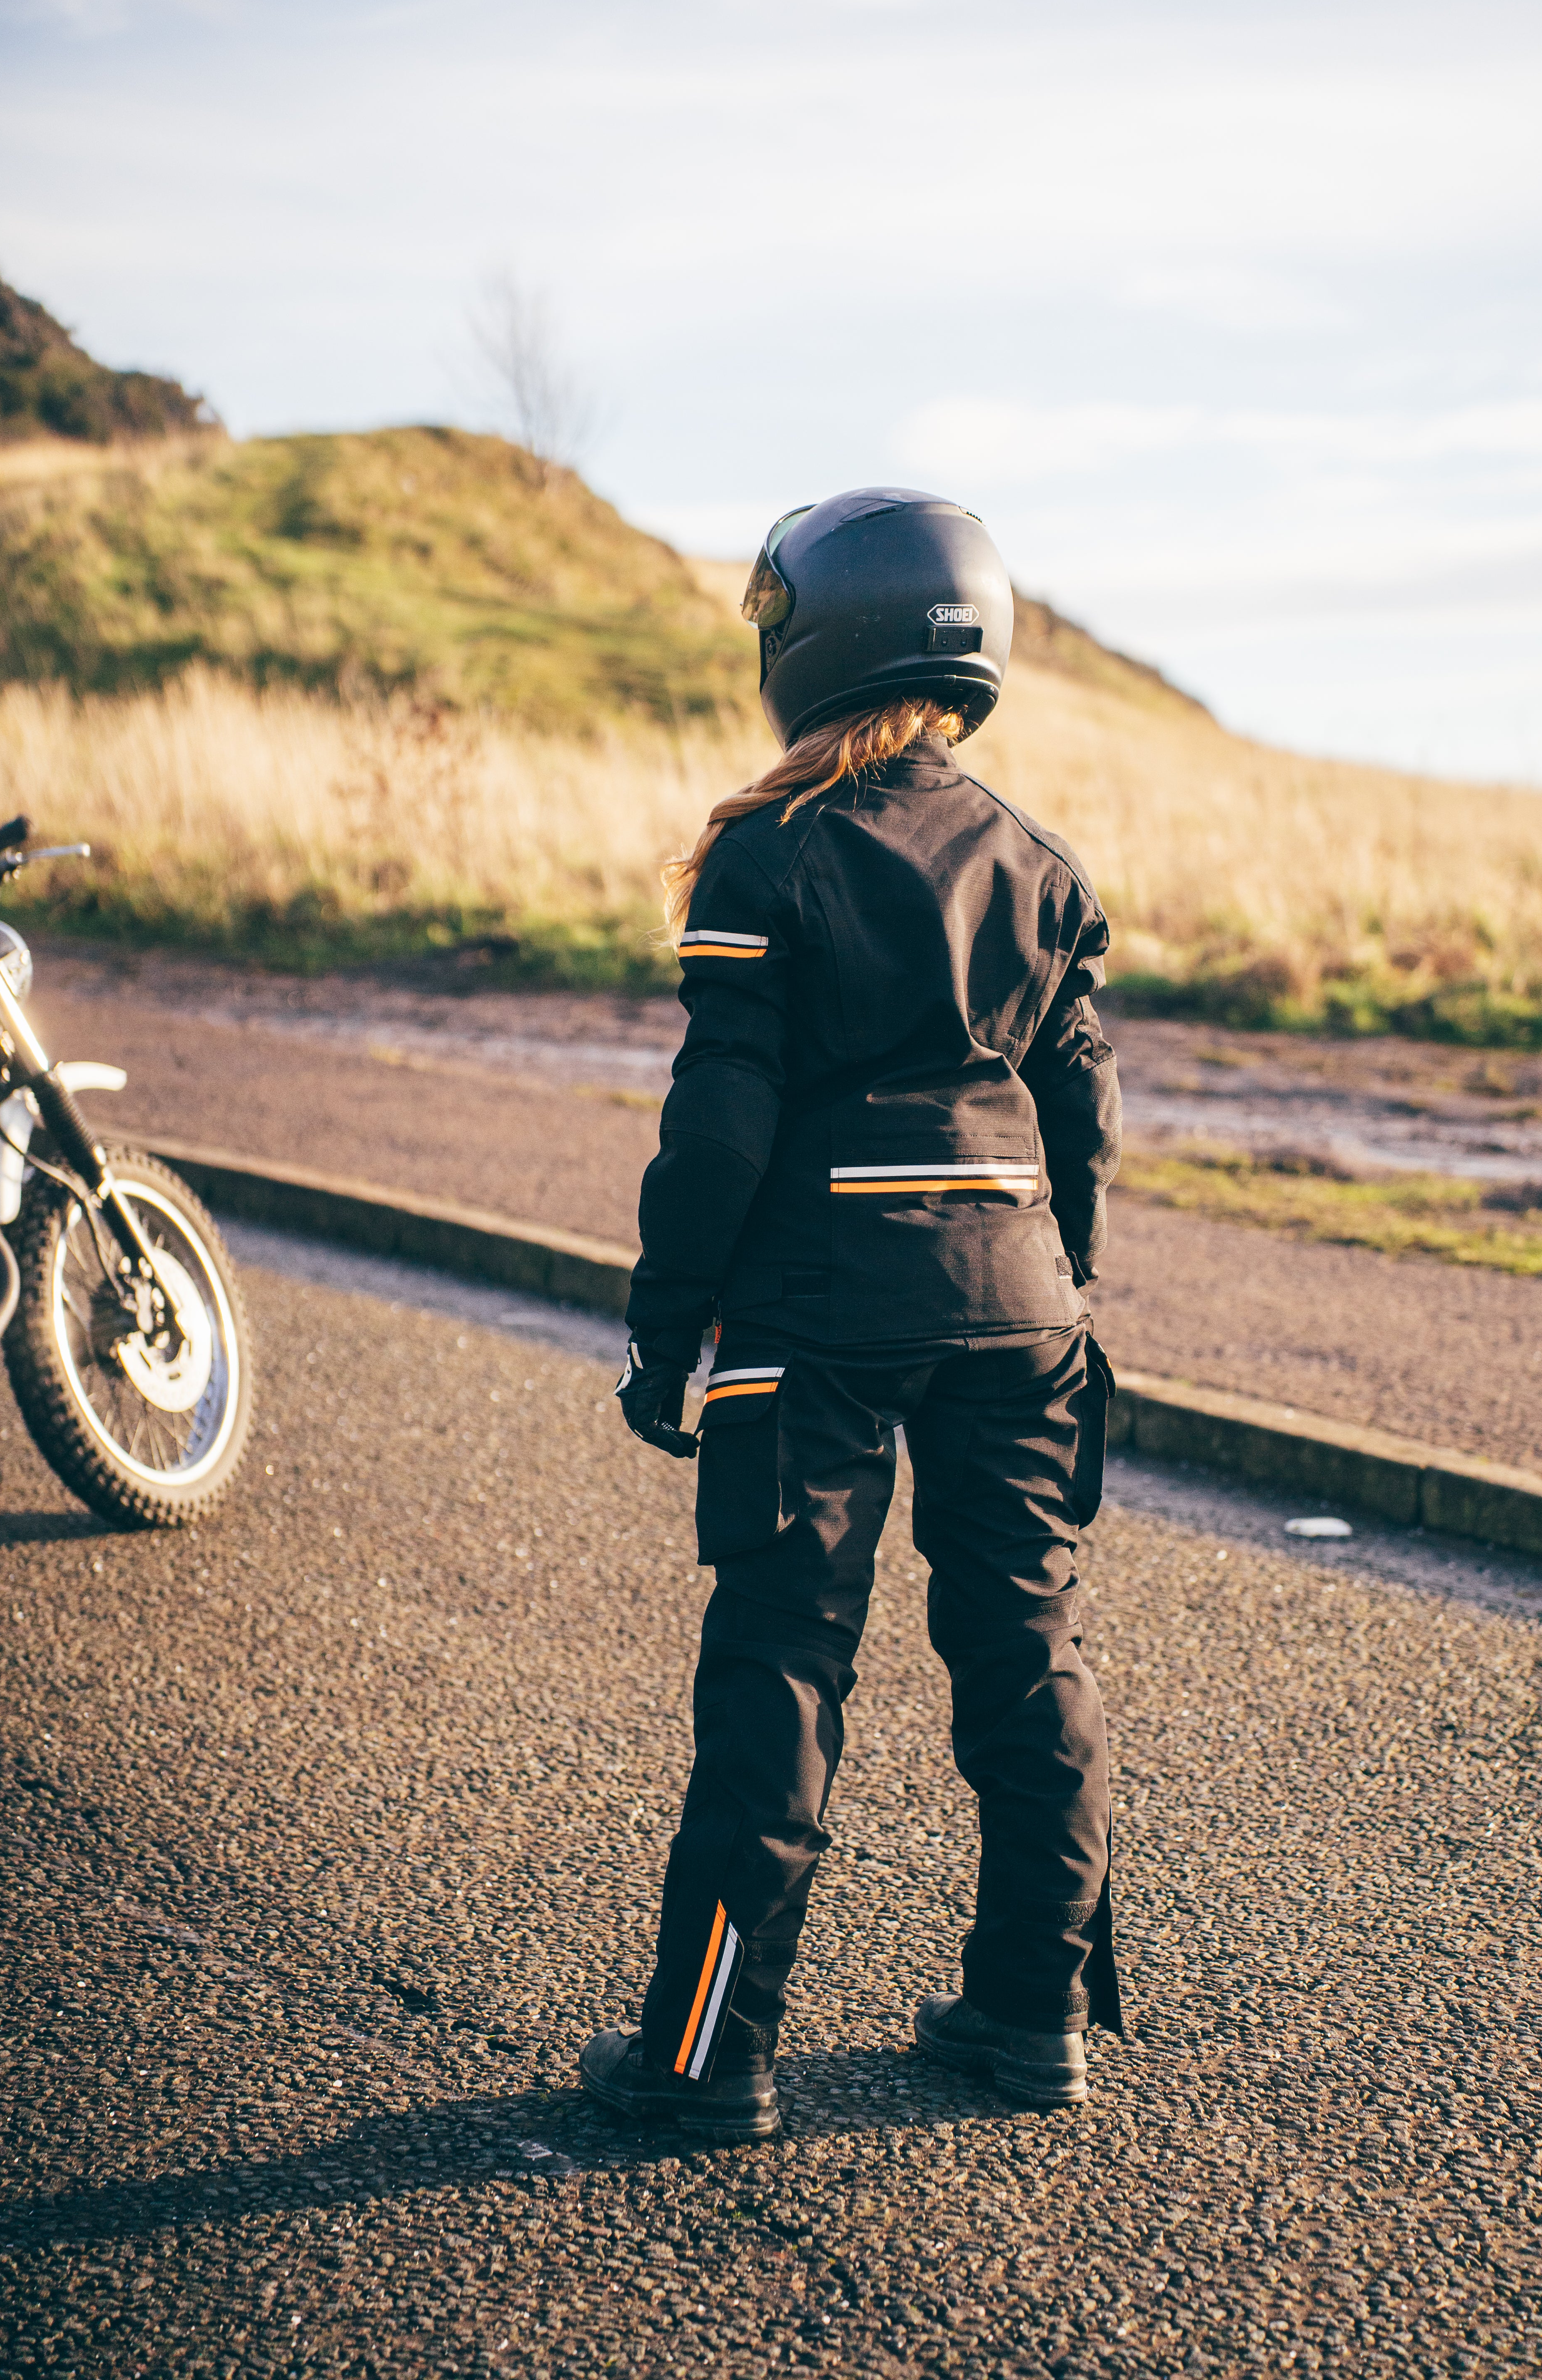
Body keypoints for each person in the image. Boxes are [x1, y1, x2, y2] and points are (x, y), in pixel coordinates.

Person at [582, 488, 1123, 2143]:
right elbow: (1080, 1122)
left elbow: (722, 1124)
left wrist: (663, 1326)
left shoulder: (768, 851)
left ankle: (705, 2057)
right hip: (1018, 1298)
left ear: (815, 636)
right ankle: (1030, 2019)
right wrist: (1066, 1294)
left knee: (781, 1671)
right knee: (1027, 1659)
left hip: (812, 1305)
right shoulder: (1046, 869)